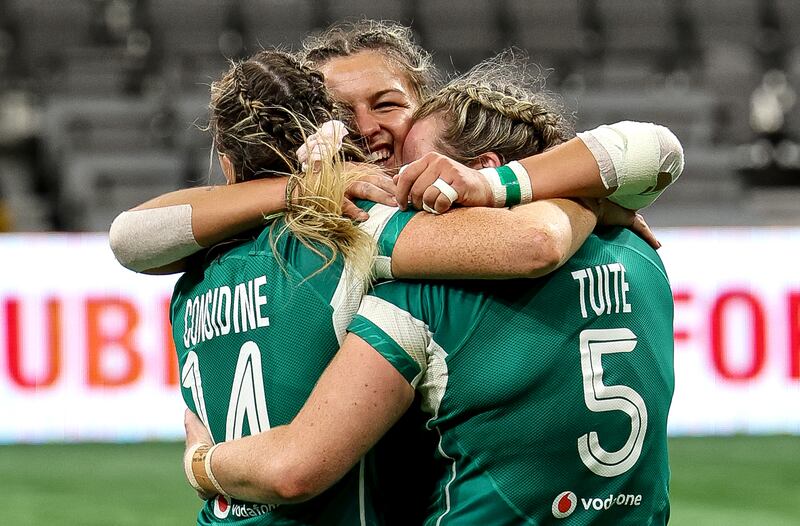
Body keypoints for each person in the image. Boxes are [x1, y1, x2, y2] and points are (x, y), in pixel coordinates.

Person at [163, 47, 659, 525]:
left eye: (416, 171)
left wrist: (201, 463)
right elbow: (644, 157)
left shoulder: (197, 282)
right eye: (343, 114)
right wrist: (588, 202)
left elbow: (296, 466)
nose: (402, 186)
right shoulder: (644, 258)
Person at [109, 21, 671, 274]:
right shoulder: (333, 221)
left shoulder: (482, 175)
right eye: (339, 112)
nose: (365, 128)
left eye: (386, 105)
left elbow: (657, 147)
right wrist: (303, 189)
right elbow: (132, 238)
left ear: (426, 104)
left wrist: (494, 186)